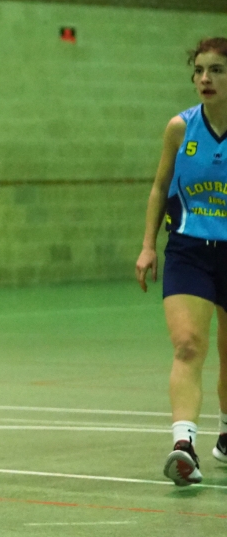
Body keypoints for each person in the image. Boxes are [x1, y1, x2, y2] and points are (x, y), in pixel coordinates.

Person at [136, 36, 227, 486]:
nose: (205, 78)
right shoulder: (180, 128)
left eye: (217, 70)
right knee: (188, 344)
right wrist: (148, 245)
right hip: (189, 249)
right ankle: (184, 445)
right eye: (199, 70)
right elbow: (159, 187)